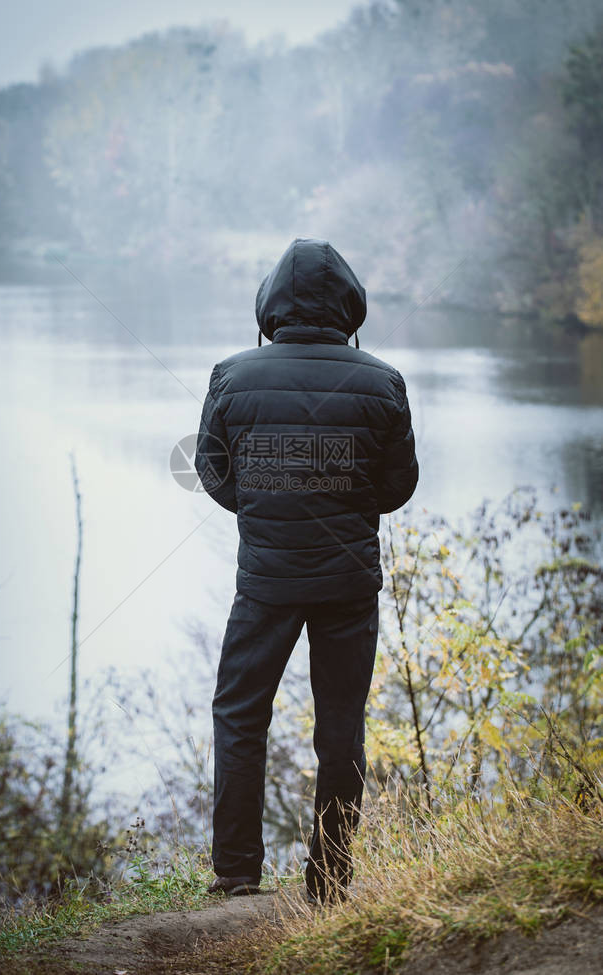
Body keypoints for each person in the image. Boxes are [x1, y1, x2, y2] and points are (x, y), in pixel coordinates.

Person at [195, 237, 418, 903]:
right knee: (341, 723)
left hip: (264, 580)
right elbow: (399, 483)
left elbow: (212, 469)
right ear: (351, 307)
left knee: (240, 713)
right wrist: (342, 503)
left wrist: (266, 506)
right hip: (349, 582)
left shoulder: (231, 376)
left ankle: (236, 871)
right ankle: (328, 879)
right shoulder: (382, 381)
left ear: (268, 306)